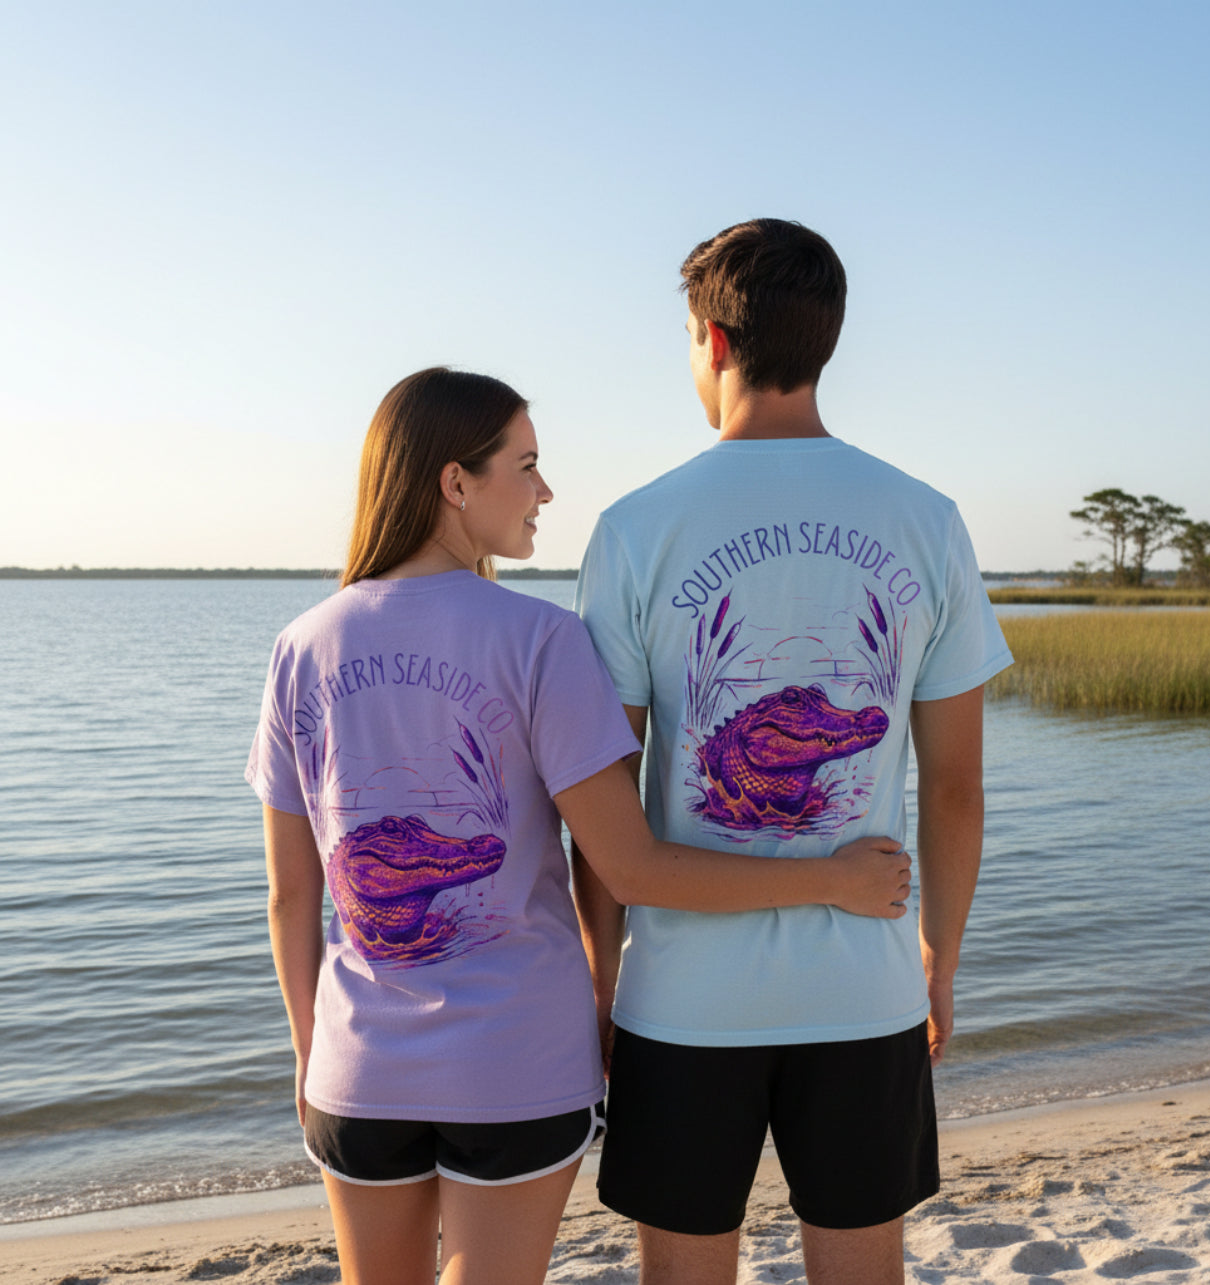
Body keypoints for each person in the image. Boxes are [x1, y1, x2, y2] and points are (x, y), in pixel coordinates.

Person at [245, 366, 915, 1285]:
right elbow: (630, 865)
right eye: (525, 465)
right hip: (512, 1062)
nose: (545, 491)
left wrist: (308, 1053)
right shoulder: (539, 639)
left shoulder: (298, 644)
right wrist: (832, 879)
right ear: (454, 482)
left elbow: (291, 893)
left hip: (353, 1066)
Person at [574, 219, 1015, 1285]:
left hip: (680, 1002)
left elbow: (604, 803)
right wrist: (936, 960)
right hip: (865, 993)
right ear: (824, 342)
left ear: (713, 342)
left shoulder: (634, 529)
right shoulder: (928, 519)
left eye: (687, 338)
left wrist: (598, 984)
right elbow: (955, 784)